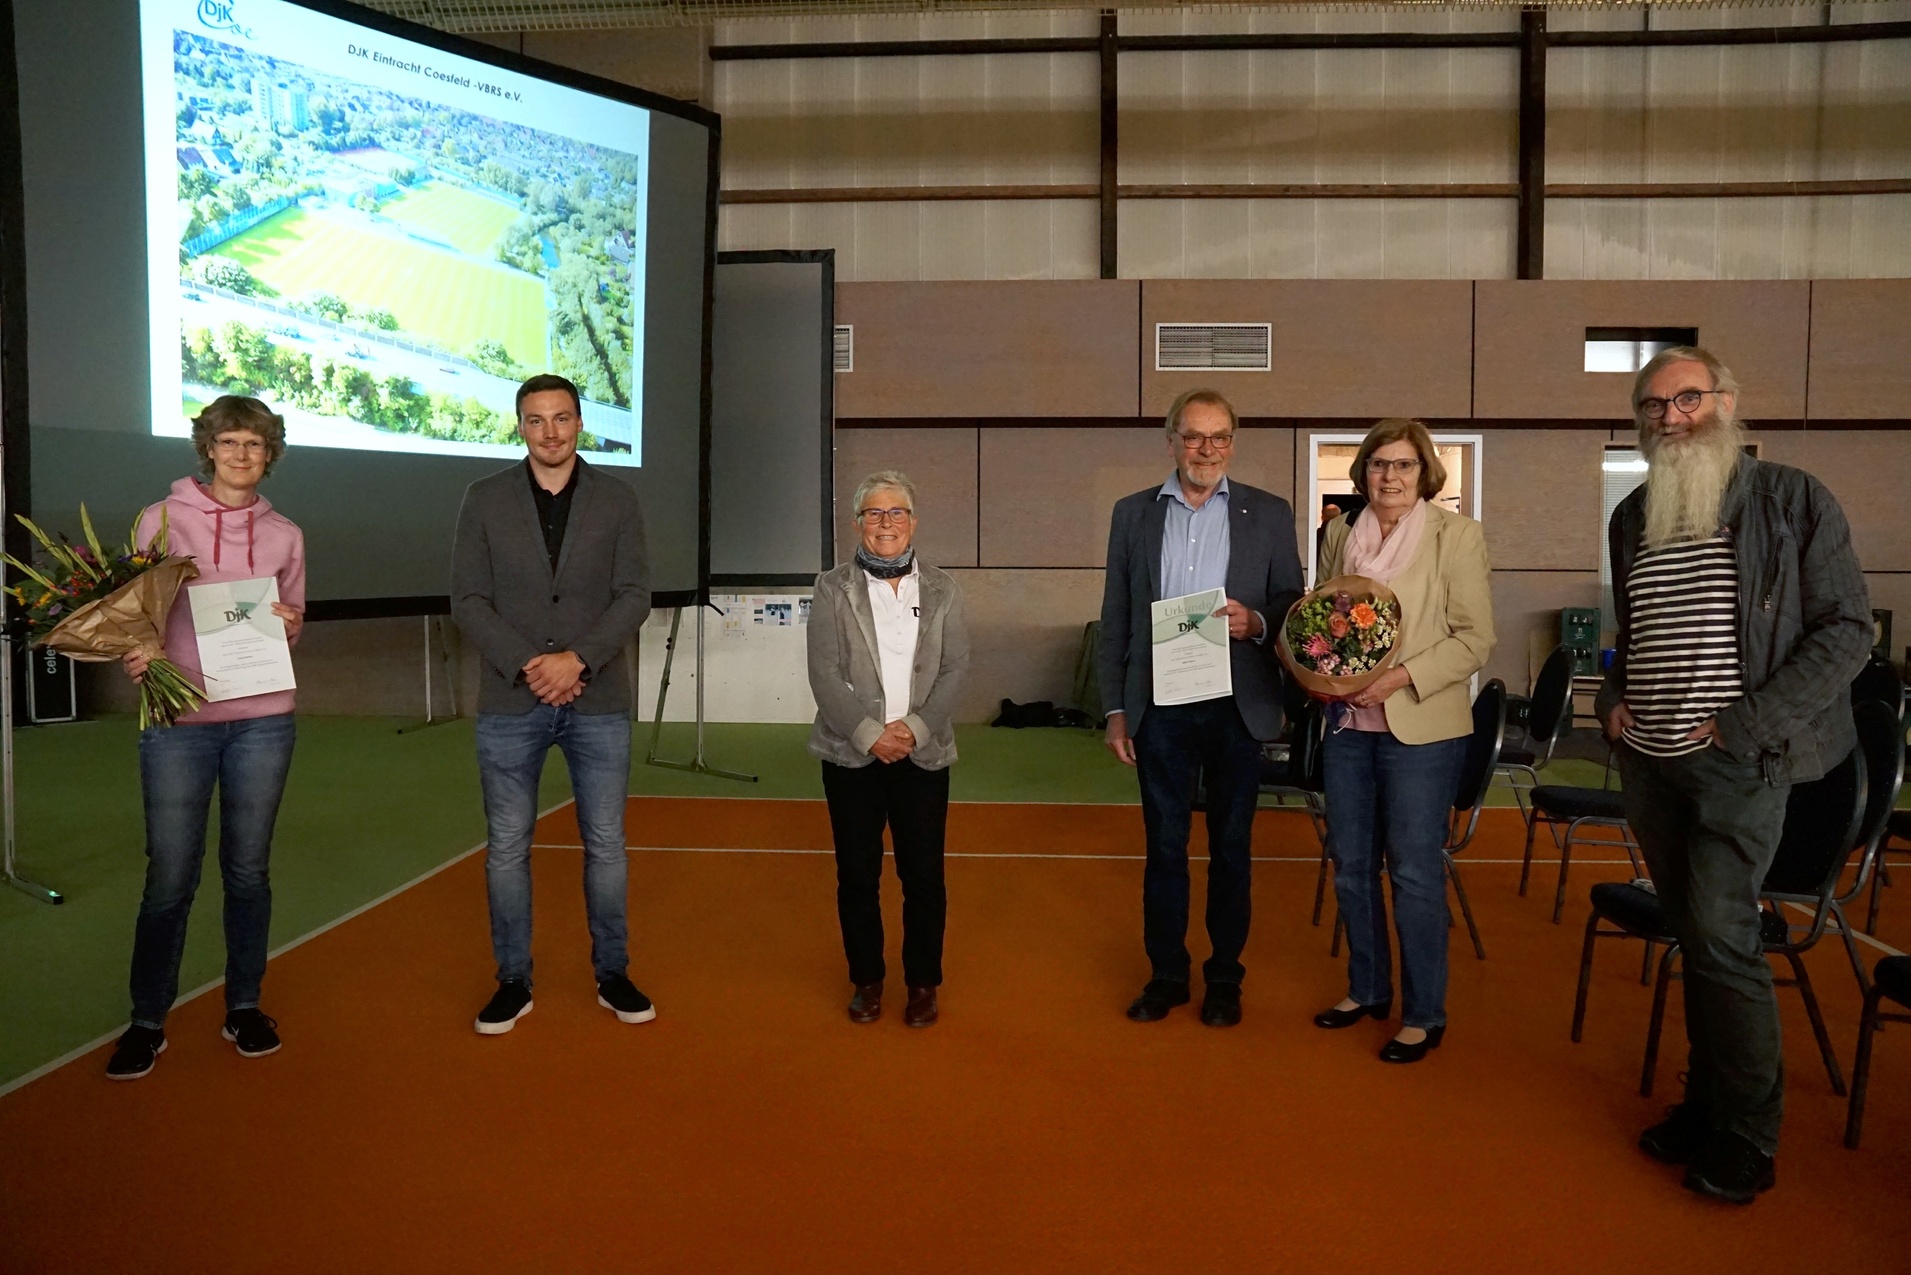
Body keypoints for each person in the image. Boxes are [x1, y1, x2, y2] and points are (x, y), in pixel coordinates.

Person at [1597, 346, 1870, 1203]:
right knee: (1695, 937)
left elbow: (1847, 630)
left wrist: (1746, 723)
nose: (1669, 417)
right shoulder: (1632, 515)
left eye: (1685, 399)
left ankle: (1748, 1132)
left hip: (1738, 762)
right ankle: (1708, 1101)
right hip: (1650, 762)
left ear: (1726, 401)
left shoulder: (1791, 500)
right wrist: (1610, 693)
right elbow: (1633, 628)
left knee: (1720, 938)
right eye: (1651, 406)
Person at [106, 396, 306, 1080]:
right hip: (178, 725)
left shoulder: (284, 533)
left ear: (269, 453)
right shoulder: (159, 520)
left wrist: (288, 622)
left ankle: (244, 1005)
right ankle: (146, 1019)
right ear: (208, 448)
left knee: (248, 871)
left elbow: (294, 616)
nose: (242, 454)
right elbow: (130, 612)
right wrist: (137, 651)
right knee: (169, 876)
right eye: (230, 442)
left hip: (263, 720)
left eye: (255, 443)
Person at [451, 374, 654, 1035]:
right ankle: (512, 980)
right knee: (507, 846)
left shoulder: (618, 499)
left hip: (599, 699)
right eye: (535, 420)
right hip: (511, 701)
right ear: (519, 426)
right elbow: (469, 600)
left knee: (605, 845)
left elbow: (633, 594)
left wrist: (579, 660)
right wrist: (529, 665)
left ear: (579, 422)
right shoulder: (483, 500)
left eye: (562, 418)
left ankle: (613, 973)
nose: (550, 431)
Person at [1099, 389, 1304, 1027]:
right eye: (1193, 437)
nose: (1206, 449)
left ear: (1234, 442)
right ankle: (1166, 975)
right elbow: (1117, 619)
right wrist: (1114, 709)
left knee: (1231, 848)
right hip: (1159, 708)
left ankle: (1224, 977)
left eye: (1218, 437)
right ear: (1171, 441)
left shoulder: (1268, 513)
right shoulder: (1131, 514)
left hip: (1236, 707)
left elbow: (1293, 605)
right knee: (1164, 847)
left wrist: (1258, 622)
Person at [1310, 418, 1494, 1064]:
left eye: (1404, 466)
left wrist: (1397, 678)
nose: (1389, 476)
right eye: (1379, 464)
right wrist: (1322, 672)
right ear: (1362, 472)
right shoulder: (1338, 533)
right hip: (1345, 729)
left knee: (1413, 872)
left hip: (1420, 727)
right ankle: (1365, 988)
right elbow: (1325, 620)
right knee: (1351, 865)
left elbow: (1475, 638)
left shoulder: (1456, 536)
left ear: (1425, 474)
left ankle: (1422, 1012)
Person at [807, 471, 969, 1028]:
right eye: (874, 514)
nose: (885, 523)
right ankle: (868, 982)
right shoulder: (831, 588)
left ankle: (923, 984)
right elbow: (824, 673)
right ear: (858, 524)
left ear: (913, 522)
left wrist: (915, 730)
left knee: (923, 878)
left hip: (923, 758)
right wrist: (870, 734)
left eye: (896, 512)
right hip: (852, 756)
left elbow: (954, 669)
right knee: (858, 876)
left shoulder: (945, 589)